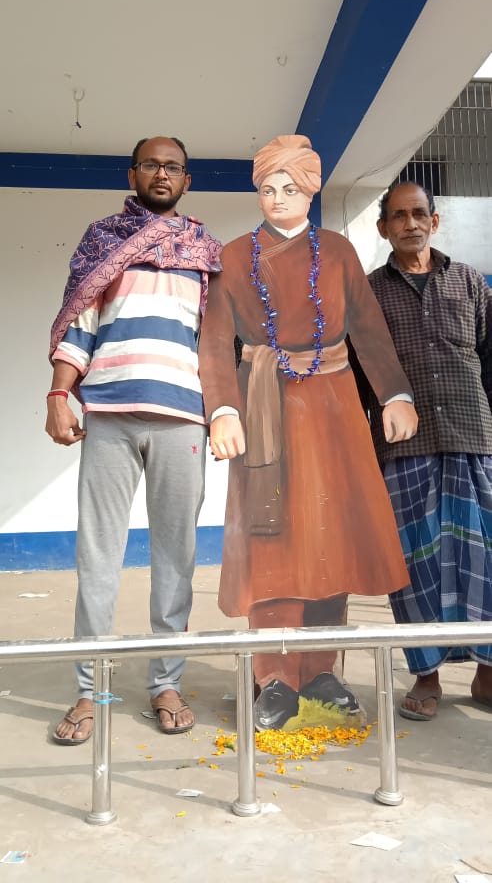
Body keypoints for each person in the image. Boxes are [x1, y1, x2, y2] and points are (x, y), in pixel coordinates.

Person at [197, 134, 418, 731]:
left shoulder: (339, 252)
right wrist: (223, 409)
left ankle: (321, 670)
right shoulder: (233, 256)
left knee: (331, 537)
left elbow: (368, 329)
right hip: (264, 408)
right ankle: (274, 677)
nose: (278, 198)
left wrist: (395, 395)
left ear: (311, 192)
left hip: (334, 408)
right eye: (268, 188)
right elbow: (214, 341)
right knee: (273, 540)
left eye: (290, 187)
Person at [46, 136, 222, 744]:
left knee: (176, 557)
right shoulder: (103, 241)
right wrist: (58, 394)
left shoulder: (206, 251)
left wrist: (227, 412)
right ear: (132, 174)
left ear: (187, 180)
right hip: (110, 412)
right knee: (98, 556)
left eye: (173, 166)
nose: (162, 173)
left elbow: (216, 342)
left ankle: (165, 683)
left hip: (184, 418)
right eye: (151, 164)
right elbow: (80, 325)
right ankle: (90, 690)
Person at [363, 180, 492, 721]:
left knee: (484, 554)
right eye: (399, 216)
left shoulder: (471, 282)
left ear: (434, 221)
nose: (410, 224)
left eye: (419, 214)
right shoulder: (368, 292)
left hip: (473, 437)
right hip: (404, 446)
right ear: (383, 227)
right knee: (415, 562)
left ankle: (487, 671)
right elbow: (361, 374)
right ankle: (426, 674)